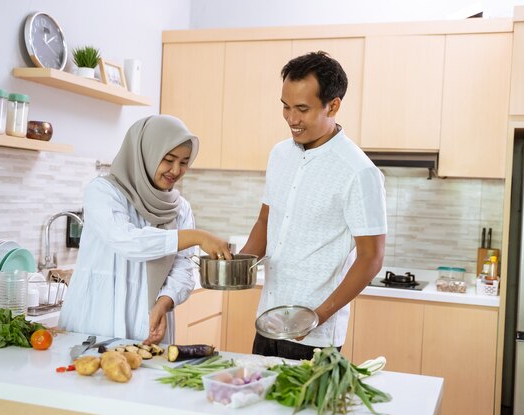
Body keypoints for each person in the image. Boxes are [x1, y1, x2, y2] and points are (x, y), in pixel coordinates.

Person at [241, 51, 387, 361]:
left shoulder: (359, 172)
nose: (292, 119)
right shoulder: (279, 155)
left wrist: (317, 316)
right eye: (286, 107)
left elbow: (371, 258)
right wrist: (238, 265)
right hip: (267, 321)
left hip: (315, 336)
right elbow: (266, 222)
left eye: (303, 109)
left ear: (333, 105)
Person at [59, 115, 232, 345]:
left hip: (151, 327)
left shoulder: (180, 209)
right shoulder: (103, 191)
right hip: (96, 320)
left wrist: (165, 301)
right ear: (146, 153)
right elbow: (127, 241)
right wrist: (196, 237)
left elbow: (183, 268)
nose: (176, 170)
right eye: (168, 159)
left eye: (184, 162)